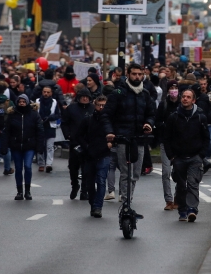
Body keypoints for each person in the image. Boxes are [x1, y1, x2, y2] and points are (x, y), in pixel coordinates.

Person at [103, 64, 155, 213]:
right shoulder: (118, 93)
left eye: (140, 74)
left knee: (136, 174)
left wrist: (149, 124)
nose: (137, 77)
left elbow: (151, 114)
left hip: (139, 139)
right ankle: (126, 204)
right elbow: (107, 115)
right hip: (122, 139)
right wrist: (110, 133)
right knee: (126, 173)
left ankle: (128, 198)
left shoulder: (145, 94)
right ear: (128, 74)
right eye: (134, 74)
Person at [164, 88, 211, 222]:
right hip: (178, 157)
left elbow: (206, 138)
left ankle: (192, 209)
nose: (185, 99)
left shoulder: (200, 117)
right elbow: (166, 138)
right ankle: (182, 210)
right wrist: (171, 156)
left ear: (193, 100)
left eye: (188, 97)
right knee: (181, 185)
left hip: (195, 156)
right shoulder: (174, 117)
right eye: (183, 96)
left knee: (192, 183)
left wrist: (201, 155)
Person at [78, 95, 113, 217]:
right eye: (99, 105)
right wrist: (87, 147)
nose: (101, 107)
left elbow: (115, 134)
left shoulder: (109, 121)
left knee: (101, 180)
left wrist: (110, 143)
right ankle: (93, 203)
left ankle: (98, 207)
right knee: (90, 182)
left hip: (104, 154)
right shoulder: (88, 120)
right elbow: (79, 135)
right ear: (95, 105)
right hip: (90, 155)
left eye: (104, 105)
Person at [1, 94, 42, 200]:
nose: (22, 103)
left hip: (29, 145)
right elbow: (6, 131)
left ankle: (27, 191)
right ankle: (19, 191)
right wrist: (4, 146)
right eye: (20, 102)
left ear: (27, 102)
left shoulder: (34, 115)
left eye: (24, 101)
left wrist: (40, 146)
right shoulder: (12, 115)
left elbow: (40, 130)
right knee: (18, 168)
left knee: (28, 166)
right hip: (16, 145)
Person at [61, 87, 93, 200]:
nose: (85, 98)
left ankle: (84, 190)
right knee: (73, 167)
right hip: (75, 142)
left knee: (86, 168)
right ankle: (75, 185)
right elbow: (64, 123)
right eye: (82, 96)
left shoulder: (93, 109)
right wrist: (68, 135)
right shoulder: (71, 109)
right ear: (78, 98)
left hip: (89, 143)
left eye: (86, 97)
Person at [155, 84, 182, 207]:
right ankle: (168, 200)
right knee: (166, 172)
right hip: (166, 142)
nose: (173, 91)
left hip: (179, 143)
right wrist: (167, 126)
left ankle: (178, 197)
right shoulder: (163, 105)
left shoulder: (182, 104)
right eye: (171, 88)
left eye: (175, 88)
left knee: (179, 172)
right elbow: (157, 121)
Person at [36, 84, 60, 173]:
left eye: (48, 92)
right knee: (40, 145)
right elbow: (34, 113)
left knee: (50, 146)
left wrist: (50, 118)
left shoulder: (54, 102)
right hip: (40, 126)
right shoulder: (37, 101)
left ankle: (49, 164)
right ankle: (41, 163)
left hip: (50, 126)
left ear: (51, 93)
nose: (46, 94)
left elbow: (58, 115)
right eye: (44, 92)